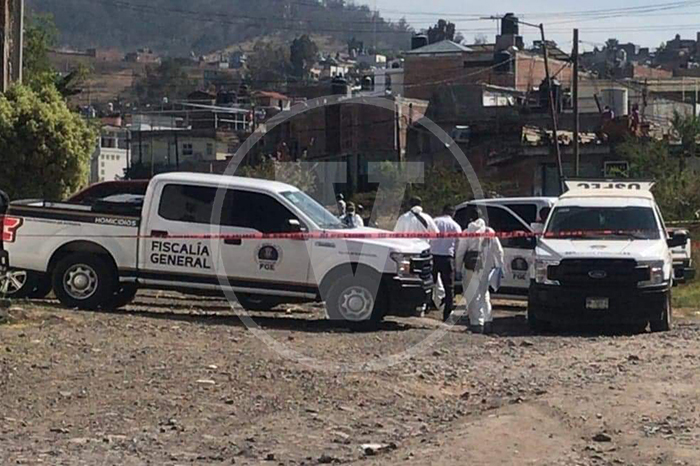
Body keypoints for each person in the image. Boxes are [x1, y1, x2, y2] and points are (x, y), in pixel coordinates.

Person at [455, 208, 504, 334]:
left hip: (471, 267)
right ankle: (488, 321)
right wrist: (499, 266)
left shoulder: (467, 232)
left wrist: (457, 269)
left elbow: (460, 253)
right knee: (484, 293)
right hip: (486, 267)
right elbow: (499, 251)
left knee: (472, 295)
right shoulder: (489, 231)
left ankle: (477, 324)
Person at [431, 205, 462, 322]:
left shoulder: (435, 222)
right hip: (447, 258)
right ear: (453, 213)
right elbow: (458, 245)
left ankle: (425, 307)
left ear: (442, 211)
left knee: (429, 284)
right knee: (449, 288)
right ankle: (447, 314)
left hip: (433, 256)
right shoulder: (456, 226)